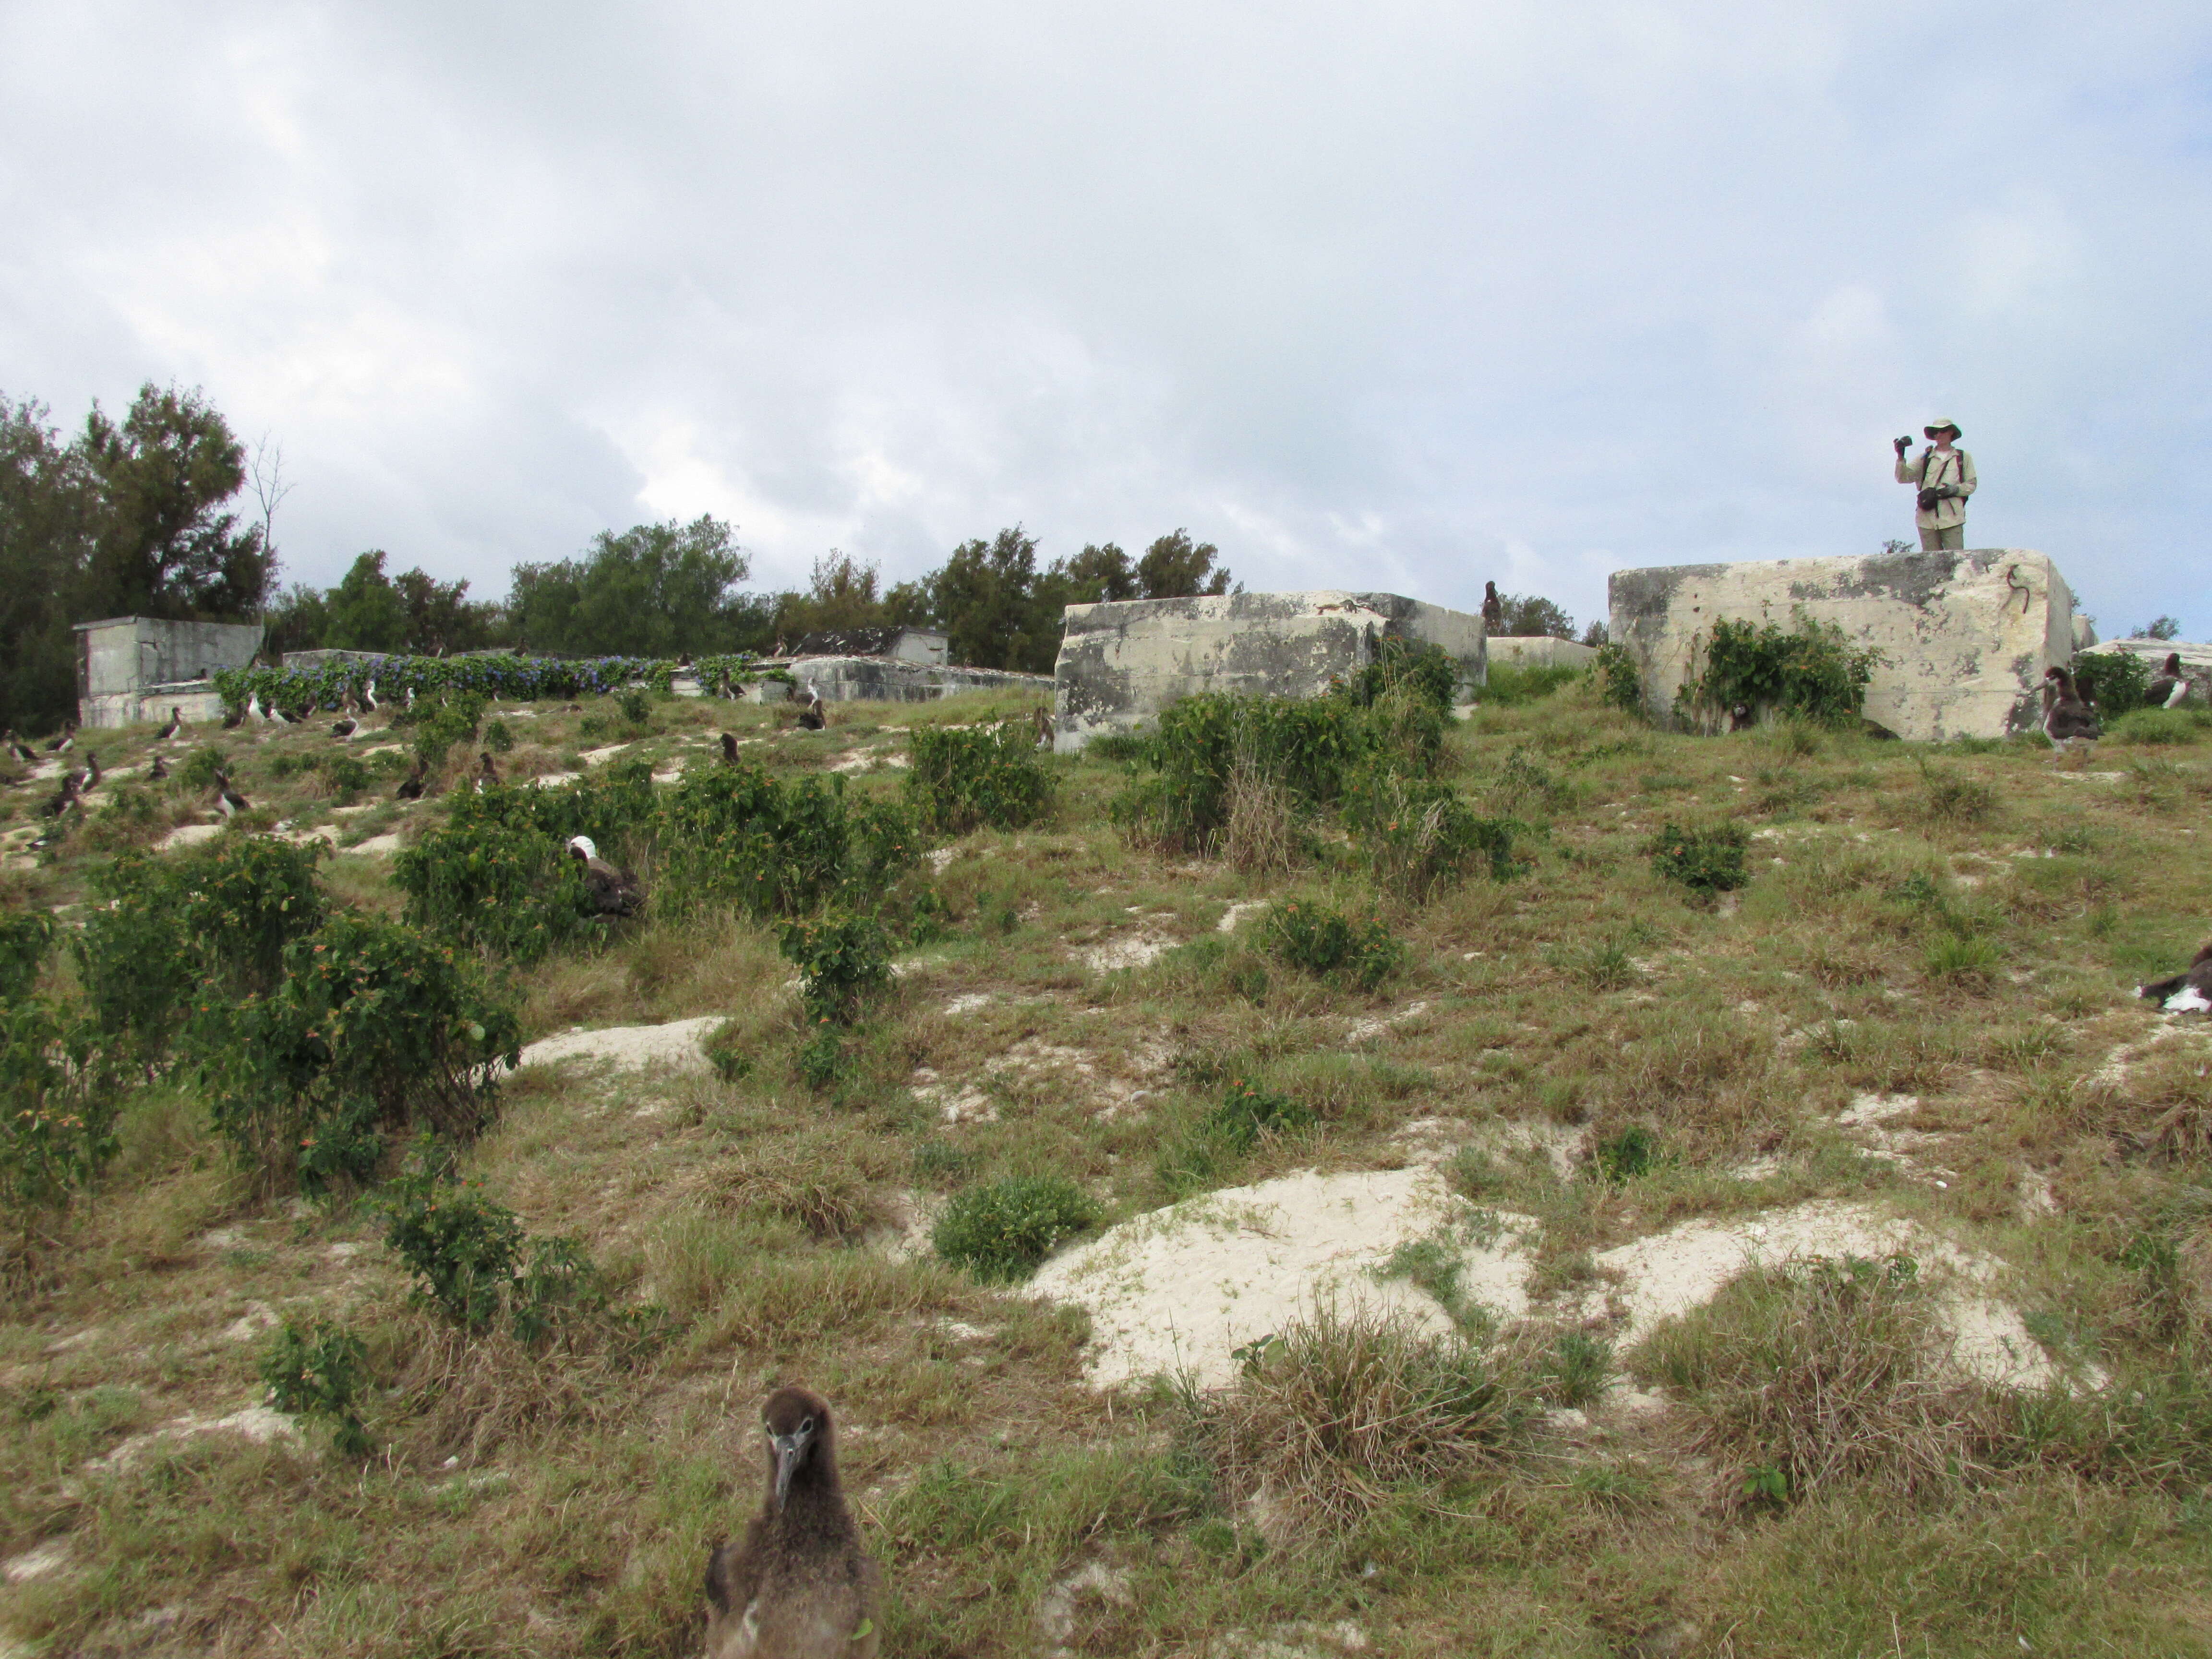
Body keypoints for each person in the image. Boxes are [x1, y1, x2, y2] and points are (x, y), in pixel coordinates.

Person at [1893, 419, 1975, 551]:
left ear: (1951, 433)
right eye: (1936, 432)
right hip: (1927, 517)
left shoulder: (1963, 457)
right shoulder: (1925, 458)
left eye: (1943, 431)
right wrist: (1901, 457)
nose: (1939, 435)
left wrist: (1955, 490)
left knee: (1955, 558)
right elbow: (1903, 478)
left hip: (1952, 517)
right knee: (1930, 561)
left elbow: (1971, 485)